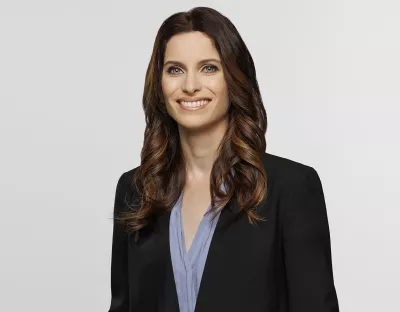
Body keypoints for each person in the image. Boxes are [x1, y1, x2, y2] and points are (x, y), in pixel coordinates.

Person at [108, 6, 339, 312]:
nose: (190, 85)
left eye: (209, 68)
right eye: (175, 69)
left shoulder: (291, 188)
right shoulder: (135, 190)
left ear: (234, 79)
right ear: (159, 83)